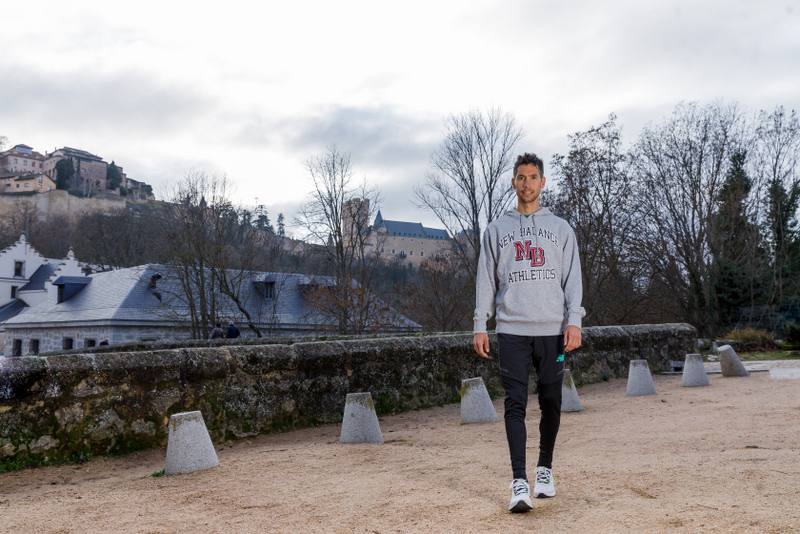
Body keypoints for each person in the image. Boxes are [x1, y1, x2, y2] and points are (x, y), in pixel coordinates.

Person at [473, 152, 585, 513]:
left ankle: (544, 470)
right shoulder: (496, 230)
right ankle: (519, 481)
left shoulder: (561, 229)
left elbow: (573, 280)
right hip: (511, 330)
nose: (527, 183)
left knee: (551, 401)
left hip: (553, 331)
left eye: (533, 177)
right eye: (521, 177)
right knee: (515, 404)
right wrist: (480, 324)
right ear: (513, 182)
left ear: (542, 182)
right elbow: (485, 281)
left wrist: (574, 320)